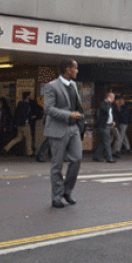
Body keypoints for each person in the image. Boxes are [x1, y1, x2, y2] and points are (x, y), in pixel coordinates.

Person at [43, 59, 85, 209]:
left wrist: (79, 117)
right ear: (68, 69)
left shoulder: (73, 85)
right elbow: (48, 109)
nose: (77, 71)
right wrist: (69, 115)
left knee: (77, 159)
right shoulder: (51, 86)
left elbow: (76, 105)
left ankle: (67, 191)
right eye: (75, 68)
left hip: (73, 129)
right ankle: (56, 196)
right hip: (58, 129)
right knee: (57, 164)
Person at [3, 92, 34, 156]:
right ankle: (30, 153)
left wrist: (16, 123)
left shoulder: (20, 103)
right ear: (27, 96)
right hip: (25, 123)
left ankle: (6, 148)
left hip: (19, 124)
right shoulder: (27, 104)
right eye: (30, 95)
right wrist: (30, 117)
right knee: (28, 138)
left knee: (18, 138)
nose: (31, 96)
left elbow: (17, 113)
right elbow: (26, 114)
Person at [93, 90, 117, 163]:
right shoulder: (103, 104)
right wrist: (109, 102)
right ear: (108, 97)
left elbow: (109, 115)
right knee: (107, 142)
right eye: (112, 97)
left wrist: (112, 121)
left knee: (103, 142)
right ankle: (109, 158)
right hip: (104, 126)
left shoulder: (109, 105)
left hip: (108, 125)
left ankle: (96, 156)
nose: (113, 99)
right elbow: (106, 110)